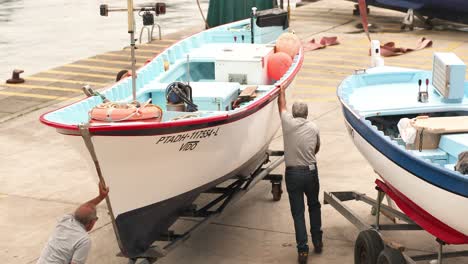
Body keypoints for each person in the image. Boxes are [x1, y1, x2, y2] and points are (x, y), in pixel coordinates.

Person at [277, 84, 322, 264]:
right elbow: (317, 147)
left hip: (293, 174)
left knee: (298, 213)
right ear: (306, 114)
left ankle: (302, 250)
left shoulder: (287, 123)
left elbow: (282, 106)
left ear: (294, 114)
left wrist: (281, 92)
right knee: (314, 205)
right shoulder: (314, 127)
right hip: (311, 172)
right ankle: (317, 241)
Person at [37, 182, 109, 264]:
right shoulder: (83, 240)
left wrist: (100, 197)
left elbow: (83, 208)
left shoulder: (65, 219)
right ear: (92, 222)